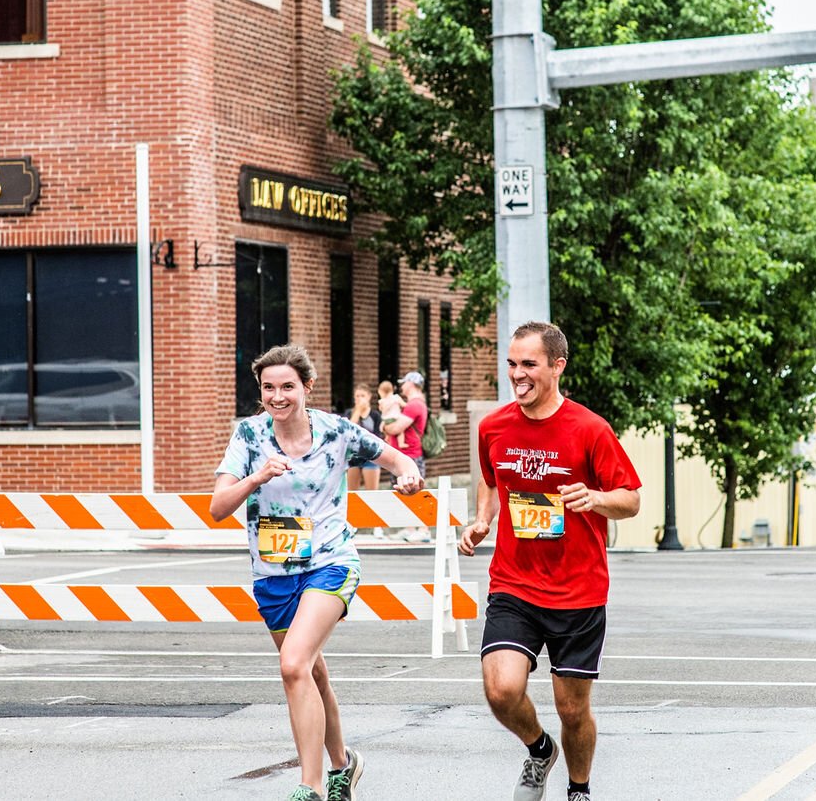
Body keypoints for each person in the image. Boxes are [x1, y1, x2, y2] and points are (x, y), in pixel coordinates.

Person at [210, 344, 424, 801]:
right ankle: (344, 765)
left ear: (307, 387)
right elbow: (216, 508)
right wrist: (254, 479)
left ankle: (310, 786)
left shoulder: (337, 432)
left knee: (292, 666)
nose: (278, 396)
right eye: (269, 388)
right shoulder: (248, 437)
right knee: (311, 673)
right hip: (272, 574)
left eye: (287, 386)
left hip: (330, 562)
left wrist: (407, 475)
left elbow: (397, 459)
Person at [458, 321, 641, 801]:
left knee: (572, 710)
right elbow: (493, 477)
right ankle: (539, 751)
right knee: (500, 690)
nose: (517, 375)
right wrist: (482, 519)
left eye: (529, 365)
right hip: (514, 585)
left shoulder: (590, 429)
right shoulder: (493, 426)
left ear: (557, 366)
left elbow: (632, 499)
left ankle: (578, 789)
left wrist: (596, 498)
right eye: (512, 364)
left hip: (578, 590)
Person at [382, 370, 428, 479]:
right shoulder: (415, 403)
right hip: (406, 456)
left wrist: (384, 426)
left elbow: (395, 429)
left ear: (411, 384)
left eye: (404, 383)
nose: (402, 386)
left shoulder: (414, 405)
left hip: (409, 457)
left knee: (409, 493)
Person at [345, 383, 384, 492]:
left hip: (370, 457)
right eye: (357, 396)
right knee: (351, 493)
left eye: (362, 396)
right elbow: (348, 431)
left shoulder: (375, 415)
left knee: (371, 493)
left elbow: (378, 437)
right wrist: (357, 411)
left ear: (369, 397)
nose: (359, 398)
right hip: (353, 456)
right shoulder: (349, 413)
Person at [377, 380, 408, 450]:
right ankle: (401, 443)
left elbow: (381, 409)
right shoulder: (396, 398)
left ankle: (387, 438)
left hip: (385, 420)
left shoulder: (382, 401)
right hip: (395, 418)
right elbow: (404, 405)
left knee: (386, 431)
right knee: (401, 430)